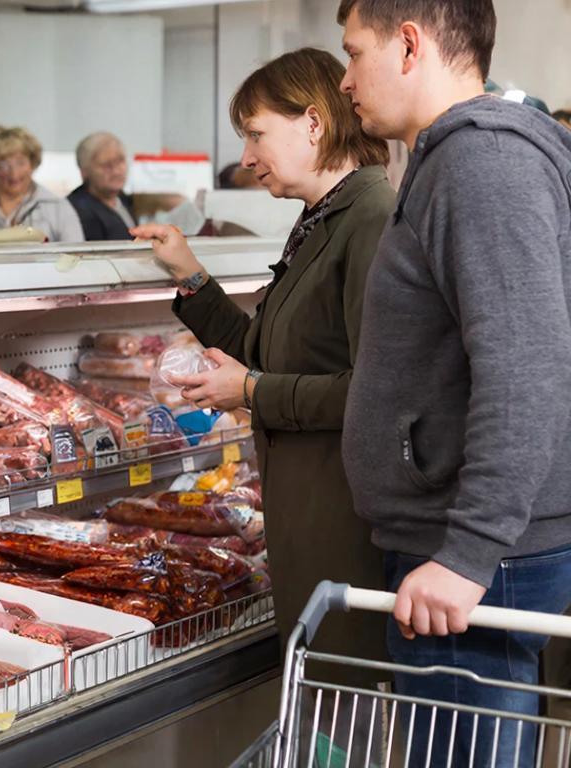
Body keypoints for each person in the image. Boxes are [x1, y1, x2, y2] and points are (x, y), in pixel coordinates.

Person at [134, 49, 393, 741]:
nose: (246, 156)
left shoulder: (369, 215)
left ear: (312, 123)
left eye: (255, 133)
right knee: (324, 701)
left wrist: (250, 391)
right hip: (305, 503)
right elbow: (269, 350)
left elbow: (372, 390)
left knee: (344, 706)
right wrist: (191, 280)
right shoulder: (321, 216)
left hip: (341, 508)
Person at [338, 0, 571, 764]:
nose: (344, 81)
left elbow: (525, 366)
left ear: (409, 45)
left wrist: (468, 552)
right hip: (461, 546)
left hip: (475, 561)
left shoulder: (484, 164)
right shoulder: (455, 159)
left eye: (353, 52)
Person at [0, 125, 83, 242]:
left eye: (20, 163)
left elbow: (75, 255)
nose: (14, 173)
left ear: (32, 163)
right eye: (4, 165)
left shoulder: (57, 207)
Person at [67, 132, 137, 240]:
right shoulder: (76, 212)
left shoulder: (121, 198)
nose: (117, 171)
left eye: (120, 161)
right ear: (84, 171)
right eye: (107, 165)